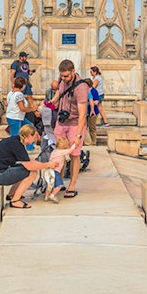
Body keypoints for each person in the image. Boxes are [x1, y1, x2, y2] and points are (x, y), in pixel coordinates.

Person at [0, 123, 47, 209]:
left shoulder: (15, 141)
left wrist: (42, 164)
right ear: (29, 136)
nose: (35, 140)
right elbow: (30, 167)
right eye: (34, 137)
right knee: (32, 172)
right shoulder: (17, 145)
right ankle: (15, 200)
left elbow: (28, 161)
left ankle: (11, 194)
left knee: (22, 169)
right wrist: (48, 165)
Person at [50, 59, 88, 198]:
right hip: (62, 121)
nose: (64, 78)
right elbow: (59, 93)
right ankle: (59, 183)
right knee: (59, 152)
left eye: (66, 76)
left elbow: (83, 113)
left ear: (73, 71)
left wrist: (78, 135)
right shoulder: (62, 80)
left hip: (75, 123)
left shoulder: (81, 87)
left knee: (74, 154)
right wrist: (52, 101)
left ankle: (72, 185)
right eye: (62, 76)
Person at [38, 136, 78, 203]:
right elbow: (70, 150)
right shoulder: (61, 152)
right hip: (55, 171)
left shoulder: (54, 151)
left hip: (48, 170)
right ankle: (53, 195)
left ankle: (46, 196)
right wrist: (75, 144)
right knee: (59, 185)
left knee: (49, 184)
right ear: (64, 146)